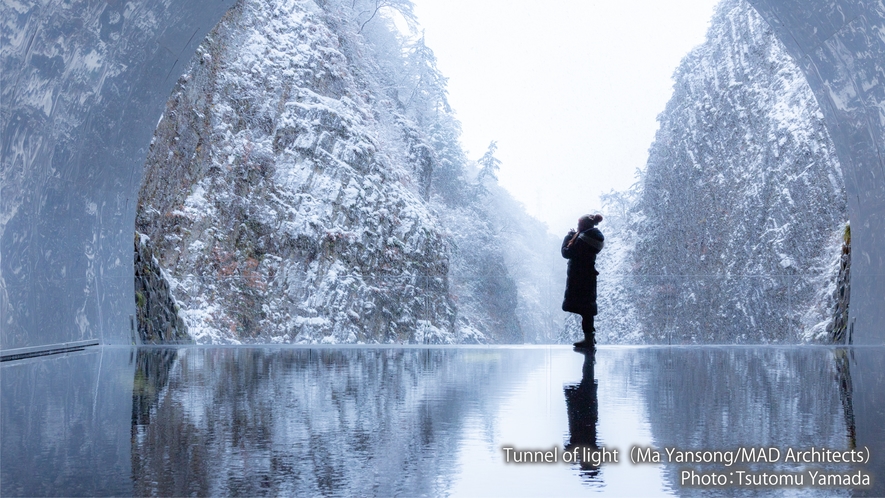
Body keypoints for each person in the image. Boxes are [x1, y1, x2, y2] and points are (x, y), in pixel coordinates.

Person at [561, 214, 604, 349]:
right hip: (588, 277)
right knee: (587, 309)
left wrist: (568, 238)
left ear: (584, 225)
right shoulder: (592, 238)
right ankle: (589, 337)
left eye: (579, 224)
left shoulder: (583, 240)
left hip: (579, 278)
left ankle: (589, 339)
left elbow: (566, 253)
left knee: (585, 309)